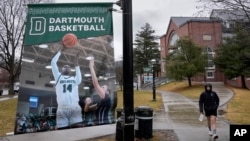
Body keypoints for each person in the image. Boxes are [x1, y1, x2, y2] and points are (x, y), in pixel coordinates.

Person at [51, 46, 83, 129]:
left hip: (74, 108)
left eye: (68, 67)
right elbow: (53, 63)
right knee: (63, 134)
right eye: (65, 66)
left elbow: (79, 79)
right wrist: (60, 51)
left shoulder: (75, 79)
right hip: (62, 109)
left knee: (77, 133)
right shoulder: (58, 77)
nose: (67, 67)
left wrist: (77, 65)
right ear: (61, 70)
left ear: (71, 71)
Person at [88, 57, 112, 124]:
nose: (101, 88)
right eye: (101, 87)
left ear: (107, 92)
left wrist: (91, 67)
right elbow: (88, 109)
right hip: (99, 124)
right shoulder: (101, 102)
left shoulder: (107, 98)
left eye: (103, 87)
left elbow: (95, 84)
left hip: (104, 124)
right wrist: (87, 104)